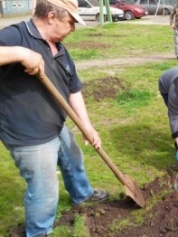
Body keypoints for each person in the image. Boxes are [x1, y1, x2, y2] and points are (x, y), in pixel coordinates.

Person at [0, 0, 109, 236]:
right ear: (52, 17)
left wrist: (86, 126)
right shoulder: (14, 36)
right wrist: (19, 53)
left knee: (73, 159)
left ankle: (82, 194)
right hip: (28, 135)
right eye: (71, 22)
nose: (73, 29)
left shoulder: (60, 48)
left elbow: (73, 89)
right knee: (45, 190)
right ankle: (38, 232)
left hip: (55, 124)